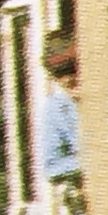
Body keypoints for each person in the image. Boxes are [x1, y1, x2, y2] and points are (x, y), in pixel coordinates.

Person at [39, 32, 85, 189]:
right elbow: (51, 167)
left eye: (71, 69)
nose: (67, 79)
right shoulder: (54, 108)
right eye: (59, 73)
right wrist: (87, 161)